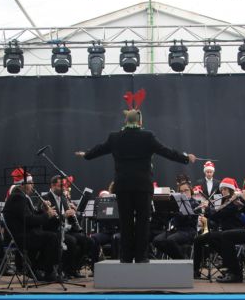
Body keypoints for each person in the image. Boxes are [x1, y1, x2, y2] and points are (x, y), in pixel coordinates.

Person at [76, 89, 196, 263]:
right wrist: (186, 158)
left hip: (123, 186)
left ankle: (126, 256)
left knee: (125, 221)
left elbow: (98, 150)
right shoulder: (147, 136)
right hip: (142, 186)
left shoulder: (115, 137)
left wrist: (85, 154)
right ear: (140, 122)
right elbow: (167, 152)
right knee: (142, 222)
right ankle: (140, 256)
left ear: (126, 121)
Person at [2, 168, 62, 281]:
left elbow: (31, 215)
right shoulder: (17, 197)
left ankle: (37, 268)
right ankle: (47, 272)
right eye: (31, 183)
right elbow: (28, 220)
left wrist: (43, 210)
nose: (33, 185)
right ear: (23, 184)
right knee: (52, 237)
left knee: (53, 235)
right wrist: (47, 215)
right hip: (22, 236)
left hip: (27, 233)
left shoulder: (20, 196)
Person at [192, 177, 245, 278]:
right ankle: (230, 264)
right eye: (222, 189)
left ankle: (196, 269)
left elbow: (219, 214)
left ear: (231, 190)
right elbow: (216, 218)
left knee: (199, 240)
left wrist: (208, 209)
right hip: (223, 232)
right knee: (206, 240)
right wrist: (204, 213)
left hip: (232, 231)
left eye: (225, 189)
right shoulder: (225, 201)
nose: (223, 191)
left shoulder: (234, 202)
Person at [43, 175, 94, 278]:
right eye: (60, 186)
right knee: (72, 241)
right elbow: (49, 220)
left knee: (88, 241)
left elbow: (70, 219)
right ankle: (66, 270)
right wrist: (64, 215)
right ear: (52, 185)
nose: (63, 188)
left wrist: (75, 213)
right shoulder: (46, 198)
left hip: (67, 230)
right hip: (55, 230)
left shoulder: (63, 197)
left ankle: (74, 268)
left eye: (64, 186)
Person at [152, 180, 199, 260]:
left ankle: (183, 261)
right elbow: (171, 218)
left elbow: (188, 218)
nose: (184, 193)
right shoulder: (175, 203)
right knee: (157, 241)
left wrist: (178, 211)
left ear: (191, 191)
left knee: (170, 240)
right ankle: (180, 258)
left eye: (186, 190)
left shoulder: (195, 203)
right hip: (176, 230)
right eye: (181, 191)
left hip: (188, 231)